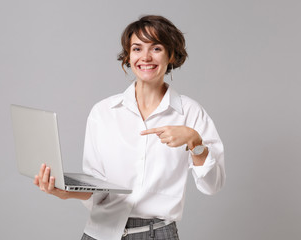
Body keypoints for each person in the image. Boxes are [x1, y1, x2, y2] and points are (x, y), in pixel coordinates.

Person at [34, 15, 226, 240]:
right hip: (100, 233)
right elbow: (97, 188)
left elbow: (213, 185)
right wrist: (64, 192)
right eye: (137, 49)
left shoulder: (190, 113)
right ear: (128, 56)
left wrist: (195, 142)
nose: (145, 57)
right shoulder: (103, 112)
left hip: (157, 234)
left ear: (171, 55)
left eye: (156, 48)